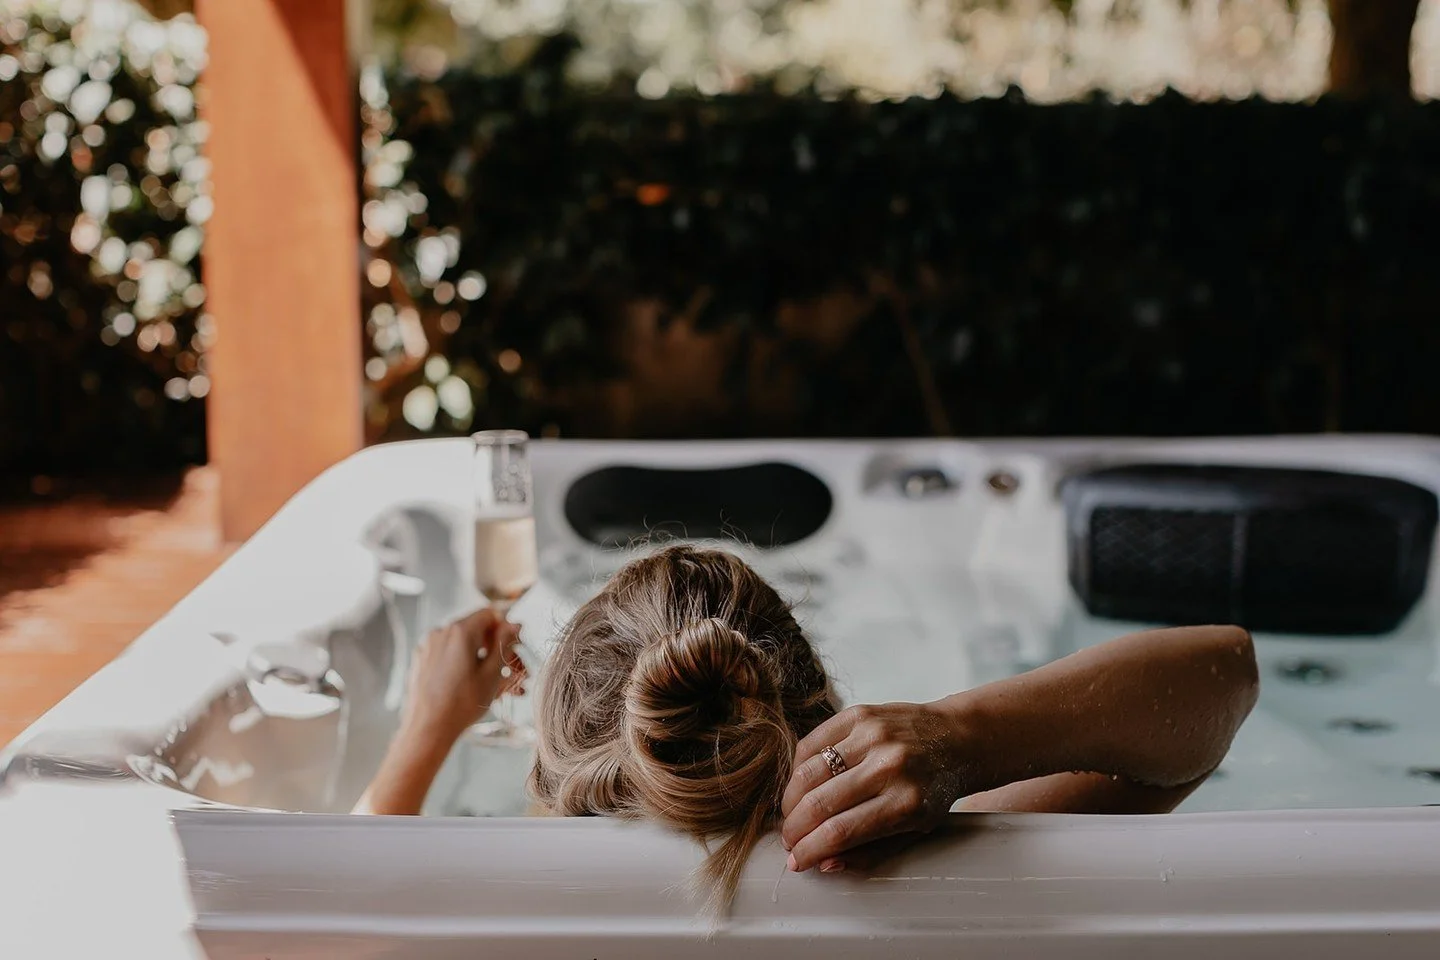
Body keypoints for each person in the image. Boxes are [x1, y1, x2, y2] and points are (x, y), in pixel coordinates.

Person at [357, 545, 1259, 911]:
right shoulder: (942, 883)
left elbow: (316, 918)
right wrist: (966, 735)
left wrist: (424, 732)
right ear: (827, 713)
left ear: (553, 786)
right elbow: (1221, 680)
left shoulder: (492, 924)